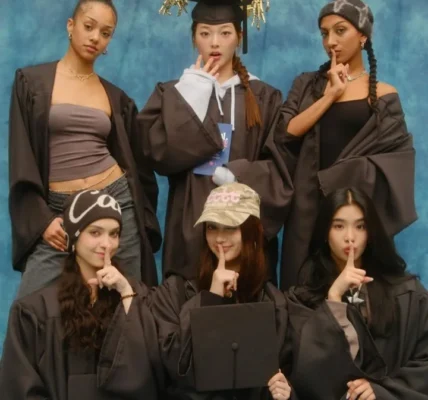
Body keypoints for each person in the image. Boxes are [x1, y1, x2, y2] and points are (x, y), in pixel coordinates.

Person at [9, 0, 161, 298]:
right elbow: (22, 157)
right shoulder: (32, 83)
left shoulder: (115, 97)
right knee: (32, 302)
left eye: (105, 33)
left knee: (128, 296)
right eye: (89, 26)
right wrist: (40, 218)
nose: (95, 38)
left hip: (114, 201)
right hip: (58, 208)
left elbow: (138, 163)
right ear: (71, 25)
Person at [140, 0, 293, 282]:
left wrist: (239, 174)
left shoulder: (264, 97)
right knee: (189, 299)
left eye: (225, 33)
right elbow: (157, 155)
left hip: (244, 226)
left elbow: (281, 165)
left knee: (247, 296)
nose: (214, 42)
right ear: (193, 38)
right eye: (204, 33)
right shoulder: (175, 93)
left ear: (239, 37)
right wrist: (193, 94)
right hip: (190, 224)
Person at [276, 0, 416, 289]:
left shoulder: (383, 95)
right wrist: (330, 95)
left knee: (360, 292)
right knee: (303, 289)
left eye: (340, 31)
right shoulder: (307, 85)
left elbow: (397, 162)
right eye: (324, 33)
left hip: (356, 213)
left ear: (363, 36)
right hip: (309, 209)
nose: (331, 41)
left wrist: (339, 177)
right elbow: (286, 132)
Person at [0, 190, 162, 399]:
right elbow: (19, 388)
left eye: (114, 234)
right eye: (95, 233)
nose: (107, 244)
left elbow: (153, 370)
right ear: (74, 237)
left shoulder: (135, 297)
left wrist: (127, 295)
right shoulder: (34, 311)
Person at [150, 183, 292, 399]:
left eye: (230, 227)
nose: (219, 238)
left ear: (251, 231)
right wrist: (211, 299)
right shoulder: (176, 290)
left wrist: (284, 393)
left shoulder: (273, 301)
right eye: (212, 227)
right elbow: (175, 366)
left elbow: (276, 373)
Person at [285, 188, 428, 399]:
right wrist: (334, 298)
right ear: (325, 232)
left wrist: (382, 391)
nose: (350, 237)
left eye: (360, 226)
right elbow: (305, 376)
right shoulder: (301, 300)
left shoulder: (408, 294)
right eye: (339, 226)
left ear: (370, 233)